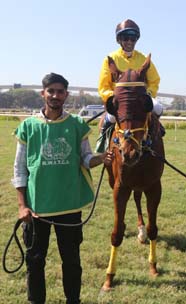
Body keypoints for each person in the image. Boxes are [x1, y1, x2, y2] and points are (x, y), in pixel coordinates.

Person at [12, 72, 114, 304]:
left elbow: (85, 158)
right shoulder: (28, 126)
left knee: (72, 261)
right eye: (51, 91)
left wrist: (101, 158)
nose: (56, 95)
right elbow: (19, 170)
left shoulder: (77, 125)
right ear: (43, 94)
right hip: (37, 210)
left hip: (69, 208)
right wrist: (21, 206)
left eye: (60, 92)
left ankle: (73, 300)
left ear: (66, 95)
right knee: (35, 261)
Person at [97, 18, 164, 150]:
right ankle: (103, 141)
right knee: (110, 118)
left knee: (158, 108)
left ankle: (154, 139)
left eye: (133, 39)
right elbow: (104, 86)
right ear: (119, 40)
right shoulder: (110, 59)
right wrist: (114, 97)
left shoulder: (143, 59)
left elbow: (154, 80)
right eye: (126, 38)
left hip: (139, 100)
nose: (129, 42)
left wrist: (148, 94)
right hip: (120, 101)